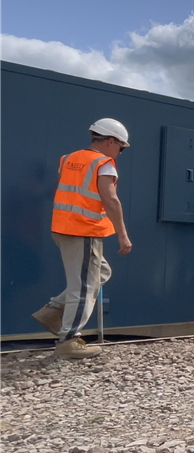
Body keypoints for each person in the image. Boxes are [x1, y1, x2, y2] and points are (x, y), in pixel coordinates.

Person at [32, 118, 133, 359]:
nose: (120, 152)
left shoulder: (68, 159)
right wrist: (123, 235)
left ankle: (53, 310)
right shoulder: (104, 163)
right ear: (110, 141)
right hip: (83, 230)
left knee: (100, 273)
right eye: (121, 147)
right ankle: (68, 340)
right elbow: (111, 200)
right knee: (85, 285)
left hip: (62, 228)